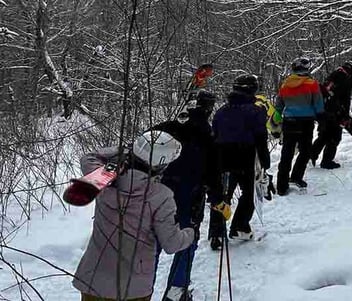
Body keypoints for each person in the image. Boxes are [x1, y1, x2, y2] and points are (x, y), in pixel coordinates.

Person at [73, 131, 195, 301]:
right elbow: (172, 244)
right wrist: (190, 232)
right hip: (134, 288)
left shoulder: (103, 180)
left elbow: (90, 157)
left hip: (93, 280)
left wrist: (124, 150)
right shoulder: (161, 196)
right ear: (161, 166)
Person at [153, 91, 216, 301]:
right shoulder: (208, 135)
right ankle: (175, 292)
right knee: (186, 242)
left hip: (158, 196)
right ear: (207, 109)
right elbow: (214, 172)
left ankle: (144, 289)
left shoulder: (165, 128)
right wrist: (218, 199)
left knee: (153, 242)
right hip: (189, 198)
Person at [208, 74, 270, 247]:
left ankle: (216, 233)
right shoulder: (256, 111)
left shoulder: (221, 111)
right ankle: (239, 227)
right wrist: (265, 162)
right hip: (245, 155)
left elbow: (215, 135)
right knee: (248, 192)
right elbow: (261, 138)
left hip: (222, 155)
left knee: (223, 193)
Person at [274, 57, 324, 195]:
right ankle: (296, 177)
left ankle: (281, 186)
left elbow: (278, 106)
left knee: (287, 153)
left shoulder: (285, 84)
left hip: (289, 122)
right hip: (306, 122)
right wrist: (322, 120)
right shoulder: (312, 84)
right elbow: (318, 105)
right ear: (307, 69)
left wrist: (275, 124)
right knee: (305, 151)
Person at [312, 61, 352, 169]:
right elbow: (343, 98)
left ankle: (312, 153)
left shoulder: (335, 74)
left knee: (324, 135)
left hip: (326, 110)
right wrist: (343, 113)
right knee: (335, 137)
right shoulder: (343, 77)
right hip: (335, 112)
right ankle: (326, 161)